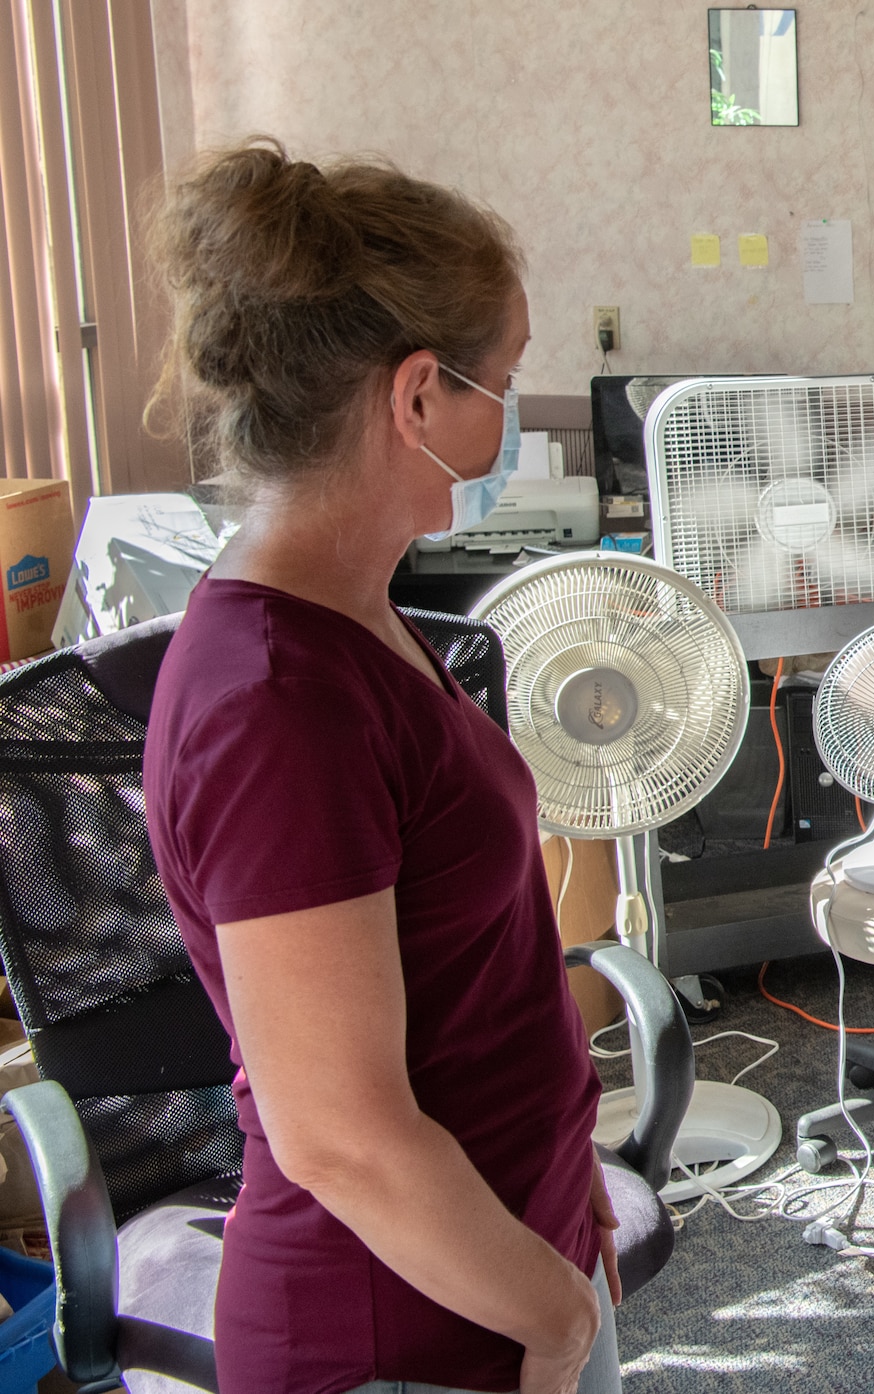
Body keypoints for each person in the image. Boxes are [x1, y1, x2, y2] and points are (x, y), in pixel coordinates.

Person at [140, 140, 621, 1394]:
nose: (510, 418)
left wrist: (565, 1209)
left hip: (504, 1262)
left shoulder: (354, 610)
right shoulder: (274, 702)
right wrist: (555, 1314)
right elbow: (342, 1136)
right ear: (417, 397)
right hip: (396, 1333)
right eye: (501, 384)